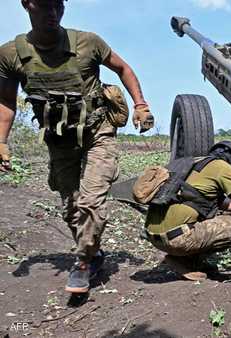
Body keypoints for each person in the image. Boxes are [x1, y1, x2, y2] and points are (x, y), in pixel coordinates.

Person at [0, 0, 155, 293]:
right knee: (71, 207)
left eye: (58, 5)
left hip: (98, 131)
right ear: (26, 4)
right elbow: (6, 101)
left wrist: (141, 105)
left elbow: (123, 68)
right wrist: (1, 141)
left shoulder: (88, 43)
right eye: (44, 5)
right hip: (60, 140)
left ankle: (82, 263)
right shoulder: (11, 54)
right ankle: (94, 254)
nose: (53, 12)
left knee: (90, 201)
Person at [143, 141, 231, 281]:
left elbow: (196, 197)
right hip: (178, 239)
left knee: (215, 217)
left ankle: (184, 259)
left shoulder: (191, 163)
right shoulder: (224, 168)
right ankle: (186, 260)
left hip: (153, 236)